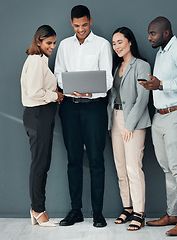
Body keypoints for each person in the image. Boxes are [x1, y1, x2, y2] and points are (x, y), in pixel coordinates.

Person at [139, 17, 177, 236]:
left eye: (153, 33)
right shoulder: (161, 53)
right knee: (167, 168)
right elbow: (161, 83)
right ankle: (173, 214)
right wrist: (153, 85)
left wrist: (163, 84)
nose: (149, 37)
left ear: (166, 33)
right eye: (149, 33)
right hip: (161, 117)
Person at [54, 5, 113, 228]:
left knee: (97, 160)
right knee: (73, 160)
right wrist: (70, 86)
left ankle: (97, 212)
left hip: (94, 107)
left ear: (90, 21)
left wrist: (91, 91)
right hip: (70, 107)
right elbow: (58, 73)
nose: (81, 29)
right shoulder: (64, 45)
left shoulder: (102, 45)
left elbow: (107, 78)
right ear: (72, 23)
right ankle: (76, 210)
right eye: (77, 26)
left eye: (84, 25)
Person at [108, 27, 151, 231]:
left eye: (120, 42)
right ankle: (127, 207)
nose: (116, 46)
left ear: (130, 42)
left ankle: (139, 213)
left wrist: (130, 124)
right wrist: (111, 122)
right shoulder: (117, 67)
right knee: (120, 168)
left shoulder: (141, 65)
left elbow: (143, 98)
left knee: (134, 167)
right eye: (114, 43)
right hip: (115, 119)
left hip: (133, 120)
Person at [20, 25, 64, 227]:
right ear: (38, 41)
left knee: (42, 164)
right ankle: (38, 210)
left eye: (54, 43)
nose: (52, 46)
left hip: (41, 116)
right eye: (49, 43)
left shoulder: (39, 61)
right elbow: (35, 92)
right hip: (38, 115)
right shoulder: (36, 61)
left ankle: (37, 209)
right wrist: (56, 95)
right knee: (39, 165)